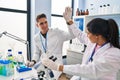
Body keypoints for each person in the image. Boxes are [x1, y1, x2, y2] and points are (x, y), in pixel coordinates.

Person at [41, 7, 120, 80]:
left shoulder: (114, 54)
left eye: (88, 33)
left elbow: (91, 70)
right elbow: (79, 34)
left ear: (97, 35)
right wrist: (69, 21)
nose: (86, 35)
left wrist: (59, 67)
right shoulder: (93, 43)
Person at [26, 13, 75, 80]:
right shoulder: (36, 38)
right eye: (41, 23)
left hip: (57, 66)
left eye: (46, 22)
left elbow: (72, 35)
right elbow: (37, 53)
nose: (45, 25)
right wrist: (33, 61)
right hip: (45, 66)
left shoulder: (56, 32)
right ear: (37, 25)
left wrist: (69, 22)